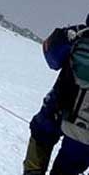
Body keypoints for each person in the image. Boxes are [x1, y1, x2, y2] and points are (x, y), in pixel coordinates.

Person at [23, 14, 89, 175]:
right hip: (84, 136)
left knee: (38, 147)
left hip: (54, 112)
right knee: (69, 167)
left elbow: (51, 57)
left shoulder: (78, 35)